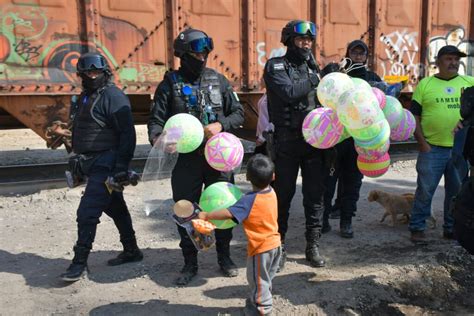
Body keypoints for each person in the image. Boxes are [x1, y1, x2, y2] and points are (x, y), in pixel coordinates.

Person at [148, 28, 244, 285]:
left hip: (217, 159)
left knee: (223, 208)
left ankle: (224, 257)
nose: (201, 57)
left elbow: (239, 114)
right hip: (185, 162)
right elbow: (155, 123)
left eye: (204, 52)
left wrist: (220, 125)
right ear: (182, 55)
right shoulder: (169, 85)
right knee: (185, 210)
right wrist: (161, 141)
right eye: (195, 53)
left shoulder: (219, 80)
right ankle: (190, 262)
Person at [61, 52, 142, 281]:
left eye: (96, 72)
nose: (92, 76)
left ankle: (79, 263)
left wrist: (121, 167)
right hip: (89, 164)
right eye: (87, 73)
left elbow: (128, 134)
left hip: (106, 163)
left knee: (87, 212)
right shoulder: (84, 97)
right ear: (81, 75)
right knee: (114, 206)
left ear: (105, 72)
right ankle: (132, 250)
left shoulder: (113, 96)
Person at [263, 20, 326, 270]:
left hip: (313, 144)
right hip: (286, 143)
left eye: (310, 40)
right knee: (282, 197)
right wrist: (315, 79)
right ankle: (279, 247)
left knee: (315, 196)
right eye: (301, 40)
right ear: (289, 40)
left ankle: (313, 245)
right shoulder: (275, 66)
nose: (306, 44)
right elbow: (289, 93)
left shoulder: (313, 68)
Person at [198, 154, 281, 315]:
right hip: (275, 244)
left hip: (261, 248)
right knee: (265, 279)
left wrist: (207, 215)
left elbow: (228, 213)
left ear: (248, 177)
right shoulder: (271, 192)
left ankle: (262, 309)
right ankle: (257, 301)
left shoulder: (249, 201)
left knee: (257, 280)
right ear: (273, 177)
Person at [409, 45, 474, 242]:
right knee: (425, 190)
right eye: (448, 59)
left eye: (456, 59)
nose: (453, 62)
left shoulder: (470, 83)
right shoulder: (425, 85)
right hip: (432, 149)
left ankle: (451, 228)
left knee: (456, 192)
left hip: (460, 152)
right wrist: (422, 143)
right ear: (438, 62)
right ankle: (417, 227)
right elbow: (414, 117)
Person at [322, 40, 382, 238]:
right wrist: (334, 71)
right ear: (348, 54)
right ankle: (323, 220)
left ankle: (346, 221)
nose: (358, 56)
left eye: (361, 53)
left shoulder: (373, 78)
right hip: (336, 139)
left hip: (360, 143)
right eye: (354, 53)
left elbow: (383, 104)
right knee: (328, 182)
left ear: (366, 56)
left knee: (352, 183)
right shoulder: (337, 75)